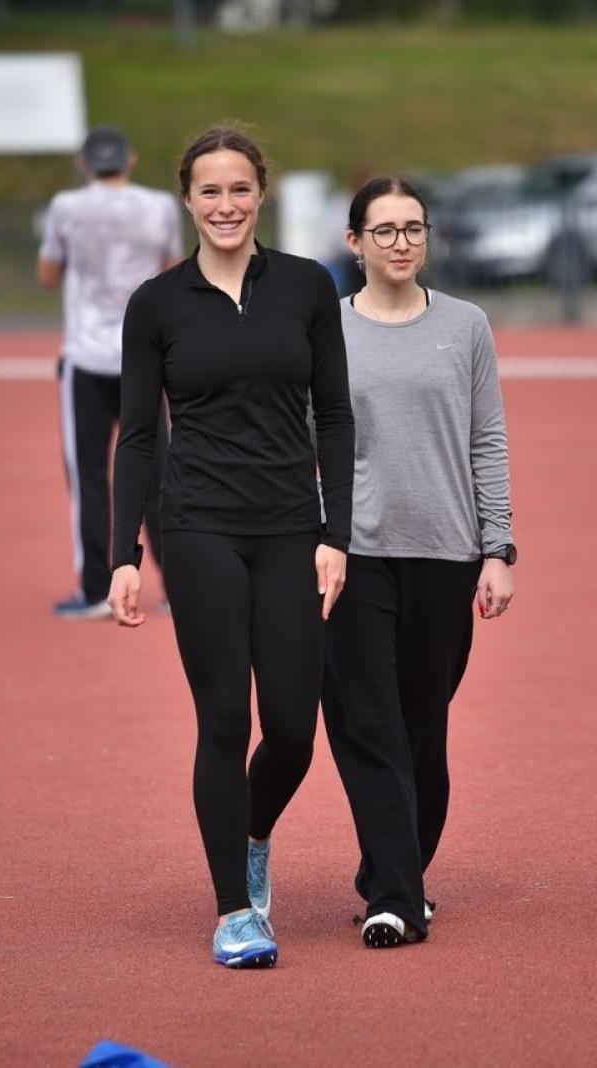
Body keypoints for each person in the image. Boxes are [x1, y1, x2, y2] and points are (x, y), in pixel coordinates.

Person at [108, 125, 354, 969]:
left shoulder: (307, 287)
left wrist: (337, 535)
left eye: (239, 189)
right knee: (223, 717)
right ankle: (234, 910)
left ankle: (253, 835)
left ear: (262, 194)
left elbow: (335, 415)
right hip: (199, 527)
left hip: (291, 527)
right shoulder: (157, 303)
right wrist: (123, 554)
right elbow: (138, 437)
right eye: (210, 191)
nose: (226, 204)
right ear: (187, 200)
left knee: (291, 730)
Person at [322, 176, 514, 949]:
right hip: (355, 554)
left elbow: (488, 440)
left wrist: (498, 549)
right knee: (368, 728)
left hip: (446, 553)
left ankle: (389, 871)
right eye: (385, 230)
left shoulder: (466, 326)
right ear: (355, 242)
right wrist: (316, 535)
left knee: (422, 738)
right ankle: (398, 899)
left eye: (413, 228)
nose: (401, 242)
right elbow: (309, 443)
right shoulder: (324, 329)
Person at [37, 124, 181, 619]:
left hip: (87, 355)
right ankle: (178, 585)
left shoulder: (66, 207)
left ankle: (97, 588)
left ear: (84, 164)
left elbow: (47, 273)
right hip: (142, 356)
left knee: (89, 476)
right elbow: (171, 266)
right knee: (162, 475)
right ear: (131, 159)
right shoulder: (159, 206)